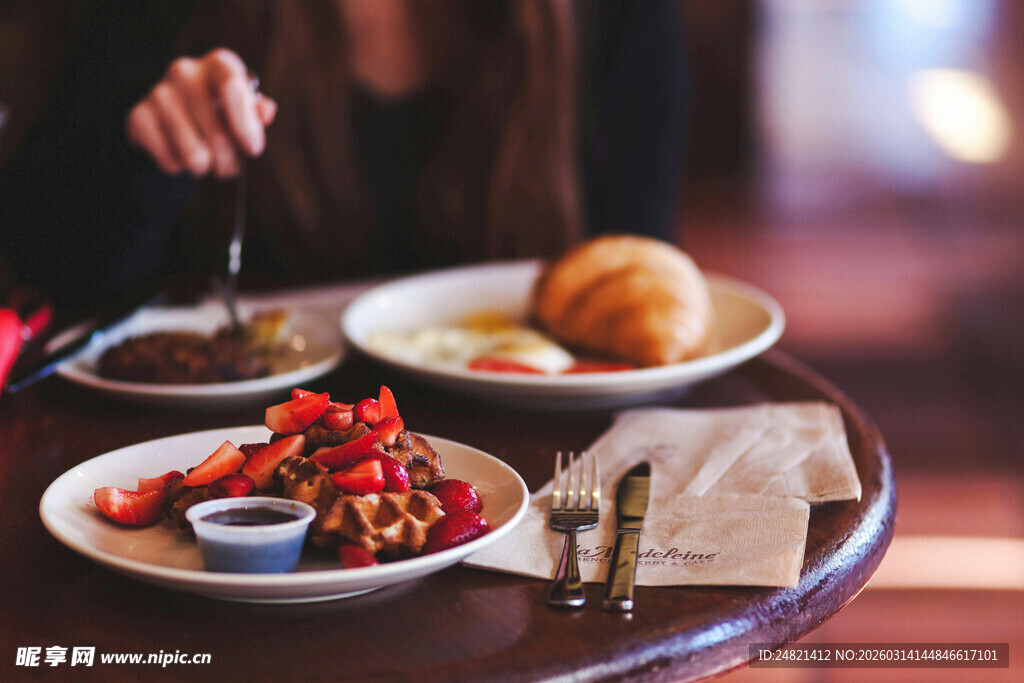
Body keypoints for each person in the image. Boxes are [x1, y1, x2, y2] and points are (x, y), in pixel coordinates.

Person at [0, 1, 687, 316]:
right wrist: (148, 159)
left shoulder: (617, 16)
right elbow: (47, 262)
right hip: (221, 474)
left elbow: (643, 272)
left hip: (536, 473)